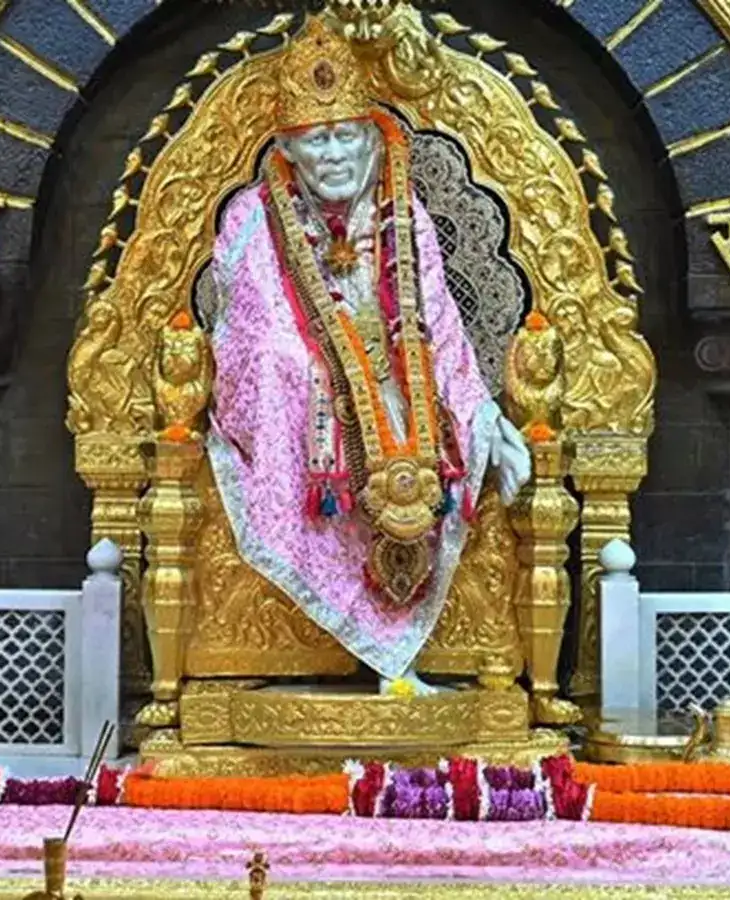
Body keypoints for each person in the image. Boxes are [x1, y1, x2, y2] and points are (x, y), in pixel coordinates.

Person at [206, 18, 531, 696]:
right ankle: (371, 648)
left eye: (345, 136)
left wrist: (483, 415)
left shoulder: (401, 214)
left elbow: (439, 324)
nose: (332, 155)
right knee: (295, 378)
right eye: (315, 140)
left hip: (396, 387)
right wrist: (333, 378)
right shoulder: (253, 215)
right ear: (287, 149)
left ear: (372, 139)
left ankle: (397, 653)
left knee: (435, 434)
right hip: (300, 399)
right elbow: (256, 331)